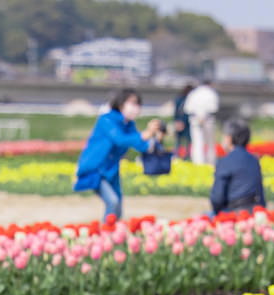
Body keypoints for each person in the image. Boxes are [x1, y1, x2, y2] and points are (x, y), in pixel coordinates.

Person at [72, 89, 163, 222]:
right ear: (120, 103)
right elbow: (120, 139)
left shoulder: (129, 125)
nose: (135, 108)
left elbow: (140, 145)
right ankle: (106, 233)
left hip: (111, 170)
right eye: (132, 103)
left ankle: (113, 233)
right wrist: (144, 135)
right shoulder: (106, 120)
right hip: (95, 168)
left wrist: (155, 139)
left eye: (138, 104)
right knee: (112, 201)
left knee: (118, 205)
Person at [208, 118, 266, 215]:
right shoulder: (254, 160)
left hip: (232, 211)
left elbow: (217, 198)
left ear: (229, 138)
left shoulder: (225, 161)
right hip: (253, 211)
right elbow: (261, 197)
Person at [183, 79, 219, 165]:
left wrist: (198, 116)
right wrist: (203, 116)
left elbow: (187, 109)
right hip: (208, 120)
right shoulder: (211, 93)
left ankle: (198, 163)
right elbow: (214, 108)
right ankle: (211, 163)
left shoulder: (193, 93)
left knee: (197, 143)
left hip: (195, 120)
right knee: (210, 144)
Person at [172, 83, 193, 158]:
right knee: (186, 140)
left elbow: (175, 112)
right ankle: (184, 156)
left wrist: (176, 121)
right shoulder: (186, 99)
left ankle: (179, 155)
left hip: (182, 122)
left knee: (181, 140)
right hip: (185, 122)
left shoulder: (179, 98)